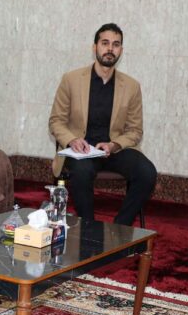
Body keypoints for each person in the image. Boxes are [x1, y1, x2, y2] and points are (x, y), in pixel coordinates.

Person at [48, 23, 156, 225]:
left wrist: (114, 145)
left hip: (114, 150)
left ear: (121, 50)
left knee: (147, 173)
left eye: (116, 44)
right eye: (105, 43)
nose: (110, 49)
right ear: (94, 47)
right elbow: (56, 121)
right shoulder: (71, 80)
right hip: (81, 150)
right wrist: (72, 140)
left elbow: (135, 130)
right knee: (81, 173)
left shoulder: (131, 86)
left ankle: (120, 229)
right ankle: (89, 229)